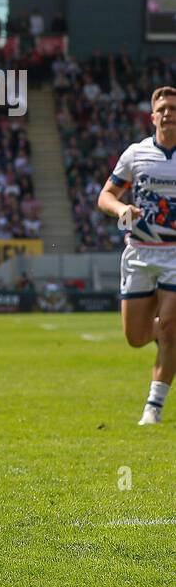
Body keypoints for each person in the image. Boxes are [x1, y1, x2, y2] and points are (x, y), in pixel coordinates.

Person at [98, 85, 176, 425]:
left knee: (172, 327)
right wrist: (120, 210)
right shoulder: (136, 154)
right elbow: (105, 195)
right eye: (163, 109)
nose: (168, 113)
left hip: (174, 253)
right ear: (152, 116)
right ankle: (161, 331)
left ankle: (153, 408)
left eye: (174, 108)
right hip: (140, 252)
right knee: (135, 337)